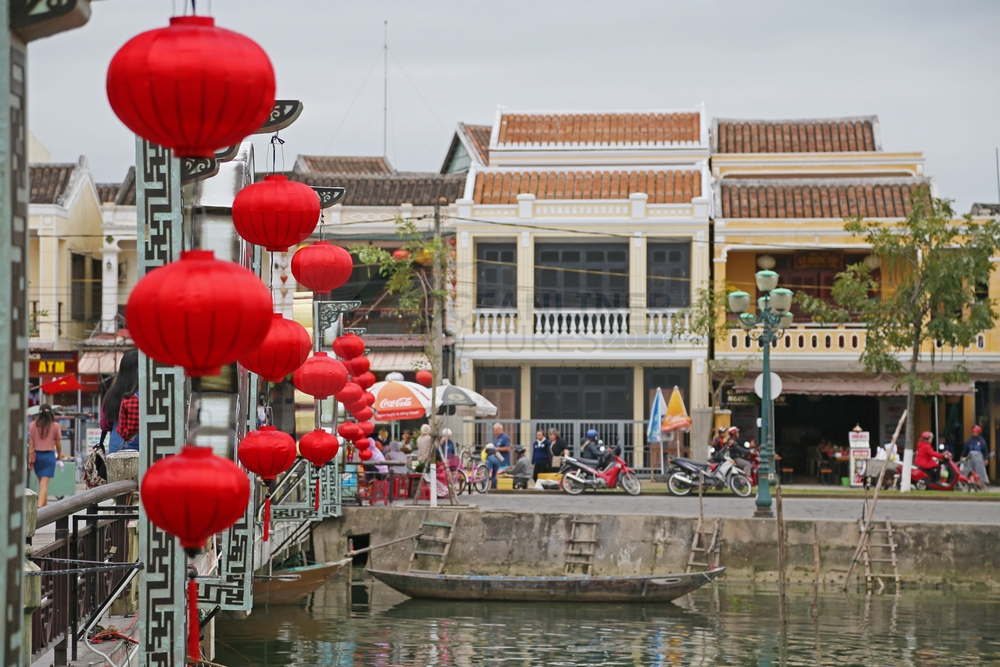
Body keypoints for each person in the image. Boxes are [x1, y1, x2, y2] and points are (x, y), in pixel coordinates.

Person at [100, 350, 139, 454]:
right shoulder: (144, 395)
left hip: (115, 446)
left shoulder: (110, 395)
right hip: (138, 447)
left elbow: (104, 425)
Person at [28, 404, 63, 508]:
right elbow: (58, 444)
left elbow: (31, 444)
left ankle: (44, 506)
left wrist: (30, 459)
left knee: (41, 484)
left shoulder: (33, 425)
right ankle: (39, 508)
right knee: (44, 485)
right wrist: (59, 456)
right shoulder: (55, 425)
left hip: (37, 457)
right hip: (49, 456)